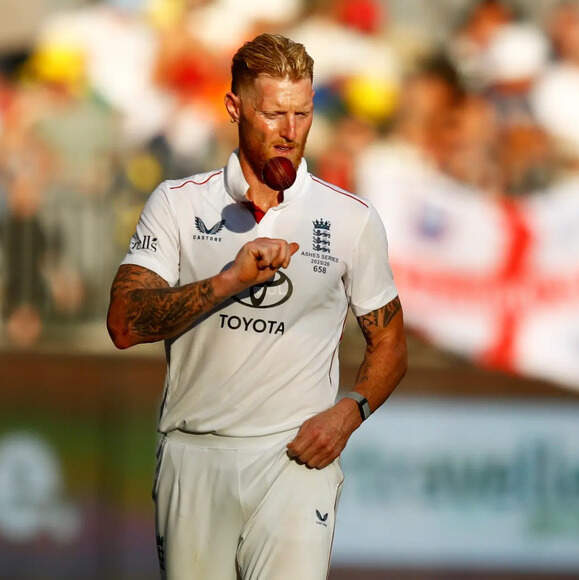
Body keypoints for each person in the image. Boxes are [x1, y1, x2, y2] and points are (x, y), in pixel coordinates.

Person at [106, 33, 407, 579]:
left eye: (302, 114)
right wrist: (228, 282)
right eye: (273, 114)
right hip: (193, 454)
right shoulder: (178, 203)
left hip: (294, 461)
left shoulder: (351, 218)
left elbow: (389, 341)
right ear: (234, 108)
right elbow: (124, 324)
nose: (290, 132)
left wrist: (349, 412)